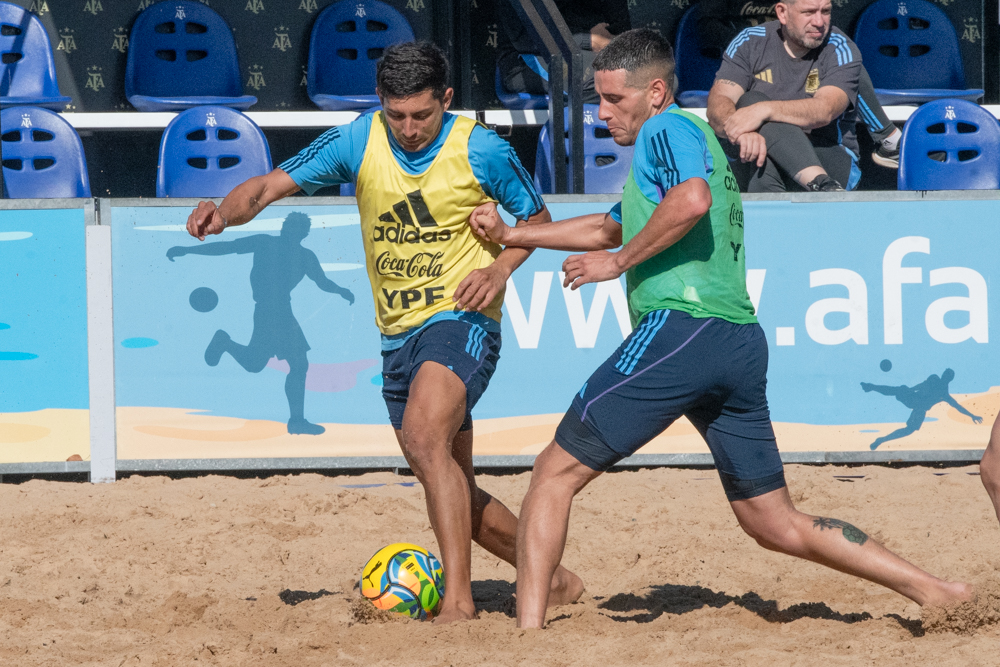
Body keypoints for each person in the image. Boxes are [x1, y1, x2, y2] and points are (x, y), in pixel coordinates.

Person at [467, 28, 973, 629]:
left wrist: (619, 265)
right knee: (772, 522)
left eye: (613, 100)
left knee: (552, 473)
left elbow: (692, 201)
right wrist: (513, 236)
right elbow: (608, 228)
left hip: (685, 327)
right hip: (735, 341)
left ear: (654, 92)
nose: (602, 115)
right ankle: (936, 590)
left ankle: (529, 634)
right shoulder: (688, 139)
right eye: (597, 100)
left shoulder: (667, 129)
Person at [183, 41, 582, 623]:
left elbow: (539, 222)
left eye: (422, 115)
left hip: (462, 320)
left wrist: (498, 268)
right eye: (397, 115)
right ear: (381, 104)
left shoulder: (481, 147)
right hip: (397, 335)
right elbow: (268, 187)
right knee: (451, 487)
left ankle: (460, 604)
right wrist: (223, 210)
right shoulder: (358, 140)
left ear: (446, 99)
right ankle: (558, 579)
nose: (410, 128)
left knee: (424, 439)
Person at [167, 212, 355, 436]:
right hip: (268, 311)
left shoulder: (305, 256)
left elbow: (322, 281)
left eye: (293, 227)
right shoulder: (264, 242)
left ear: (302, 234)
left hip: (281, 310)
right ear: (284, 227)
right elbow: (226, 247)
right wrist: (188, 250)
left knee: (270, 364)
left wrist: (341, 291)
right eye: (286, 225)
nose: (287, 229)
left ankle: (296, 420)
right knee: (278, 364)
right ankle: (225, 344)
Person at [697, 0, 901, 169]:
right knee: (759, 153)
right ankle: (889, 137)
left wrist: (764, 110)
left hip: (828, 153)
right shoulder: (749, 41)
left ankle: (887, 137)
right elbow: (719, 102)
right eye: (809, 12)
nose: (819, 21)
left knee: (759, 119)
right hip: (760, 154)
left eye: (826, 11)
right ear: (782, 13)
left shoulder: (840, 46)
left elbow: (825, 110)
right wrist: (739, 132)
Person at [496, 0, 631, 104]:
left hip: (592, 52)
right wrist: (587, 40)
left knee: (637, 74)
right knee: (612, 81)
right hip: (532, 56)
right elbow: (524, 39)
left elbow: (621, 27)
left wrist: (615, 39)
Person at [861, 369, 982, 450]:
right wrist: (910, 390)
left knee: (910, 430)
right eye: (945, 374)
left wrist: (972, 415)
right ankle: (870, 387)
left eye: (947, 376)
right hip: (913, 398)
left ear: (949, 379)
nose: (945, 376)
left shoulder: (944, 393)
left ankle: (881, 440)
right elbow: (922, 385)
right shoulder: (934, 379)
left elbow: (957, 406)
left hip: (920, 408)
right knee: (900, 389)